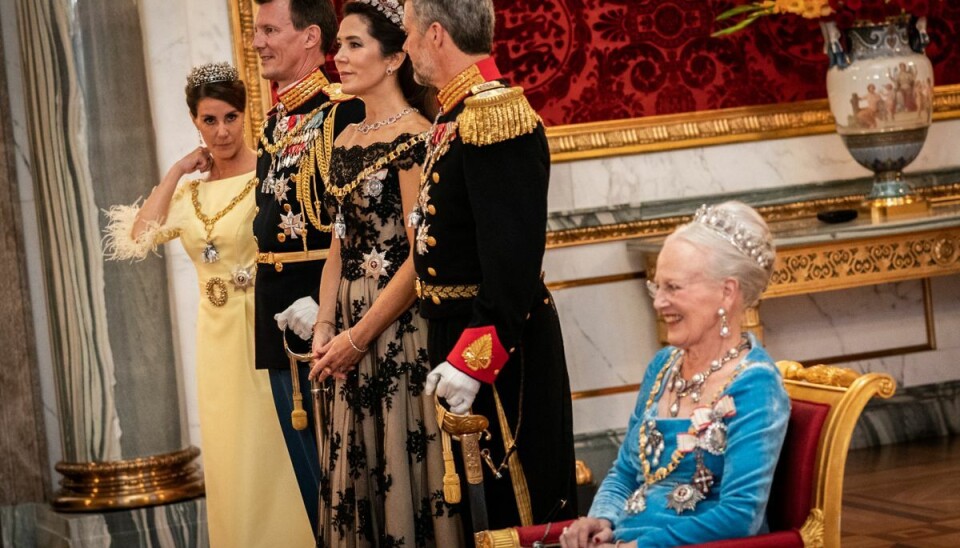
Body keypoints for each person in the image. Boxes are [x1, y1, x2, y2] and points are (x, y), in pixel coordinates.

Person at [103, 62, 313, 547]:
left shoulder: (270, 175)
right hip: (214, 342)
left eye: (231, 117)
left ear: (246, 115)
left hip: (263, 331)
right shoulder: (189, 192)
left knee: (272, 447)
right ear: (195, 123)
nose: (222, 131)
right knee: (229, 452)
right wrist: (177, 170)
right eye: (209, 120)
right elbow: (139, 236)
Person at [400, 0, 578, 534]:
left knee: (520, 514)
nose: (405, 45)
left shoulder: (494, 116)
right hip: (456, 334)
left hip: (501, 346)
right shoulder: (454, 115)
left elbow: (512, 264)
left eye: (408, 33)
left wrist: (476, 360)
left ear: (435, 34)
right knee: (480, 519)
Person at [304, 2, 461, 545]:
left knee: (399, 460)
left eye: (353, 45)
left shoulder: (417, 138)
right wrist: (326, 328)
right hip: (346, 322)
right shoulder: (343, 140)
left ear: (394, 57)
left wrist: (358, 335)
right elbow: (337, 248)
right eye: (338, 45)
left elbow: (422, 257)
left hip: (395, 325)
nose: (338, 57)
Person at [559, 202, 790, 548]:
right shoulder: (664, 367)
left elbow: (739, 516)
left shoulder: (755, 385)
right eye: (658, 288)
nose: (658, 303)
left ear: (726, 292)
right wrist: (601, 519)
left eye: (674, 288)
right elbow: (625, 471)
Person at [251, 0, 364, 533]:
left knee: (346, 481)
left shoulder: (342, 111)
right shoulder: (277, 118)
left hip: (326, 313)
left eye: (270, 30)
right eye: (256, 31)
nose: (258, 43)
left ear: (310, 37)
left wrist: (330, 308)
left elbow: (361, 223)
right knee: (310, 481)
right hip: (277, 311)